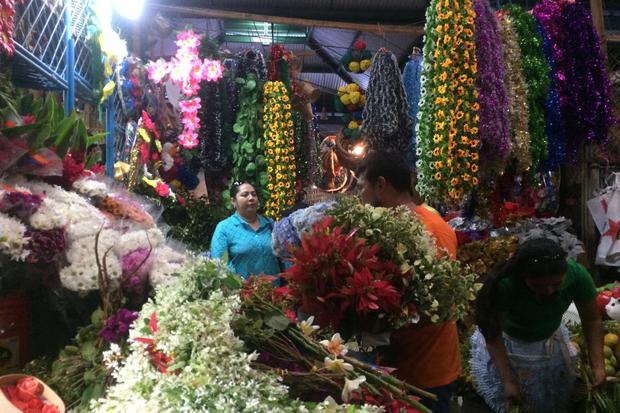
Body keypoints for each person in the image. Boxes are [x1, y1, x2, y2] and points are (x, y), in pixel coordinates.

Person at [356, 150, 460, 413]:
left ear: (380, 185)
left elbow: (432, 303)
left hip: (426, 372)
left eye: (361, 188)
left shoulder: (429, 230)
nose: (359, 197)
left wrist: (380, 327)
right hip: (400, 365)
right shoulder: (398, 226)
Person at [472, 238, 605, 413]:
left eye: (556, 284)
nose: (549, 291)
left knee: (550, 398)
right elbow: (493, 335)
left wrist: (598, 366)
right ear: (523, 276)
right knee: (517, 399)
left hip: (550, 340)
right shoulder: (506, 285)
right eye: (538, 286)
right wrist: (508, 381)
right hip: (509, 346)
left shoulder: (577, 276)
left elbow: (592, 320)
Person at [210, 182, 281, 278]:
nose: (251, 198)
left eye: (254, 194)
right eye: (245, 195)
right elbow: (219, 266)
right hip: (244, 291)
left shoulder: (269, 223)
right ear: (233, 201)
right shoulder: (224, 228)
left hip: (278, 290)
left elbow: (284, 256)